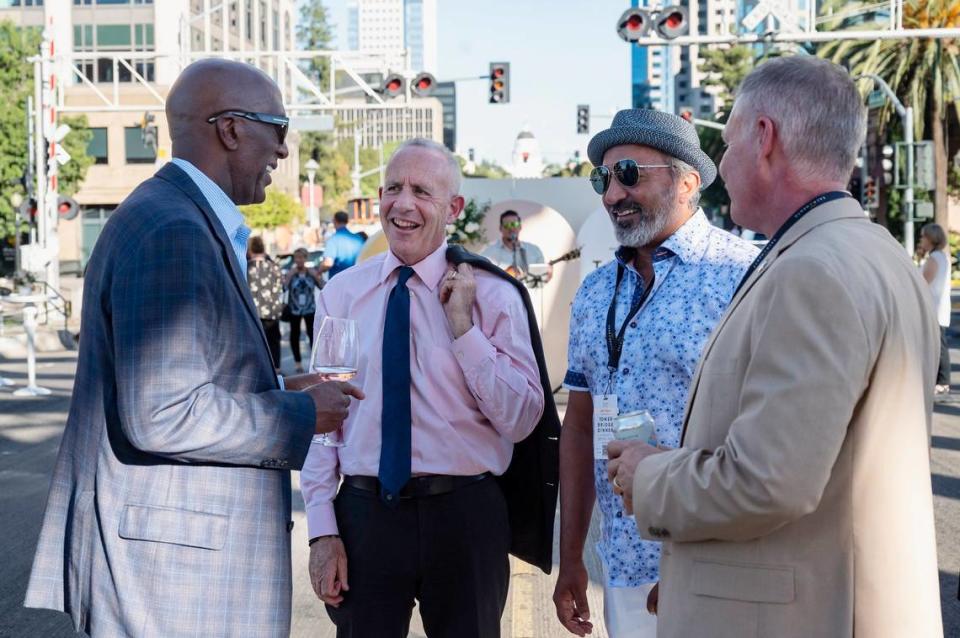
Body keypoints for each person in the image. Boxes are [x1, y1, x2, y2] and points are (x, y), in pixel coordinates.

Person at [23, 59, 363, 636]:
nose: (283, 151)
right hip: (174, 580)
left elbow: (185, 386)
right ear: (231, 129)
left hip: (176, 565)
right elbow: (160, 414)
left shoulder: (176, 216)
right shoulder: (173, 229)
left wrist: (280, 387)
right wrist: (303, 414)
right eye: (278, 129)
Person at [607, 56, 943, 638]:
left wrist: (649, 475)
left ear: (764, 139)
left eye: (729, 143)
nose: (725, 165)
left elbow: (767, 481)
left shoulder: (811, 271)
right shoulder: (878, 255)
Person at [301, 138, 546, 637]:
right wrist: (322, 530)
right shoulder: (342, 295)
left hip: (465, 516)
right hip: (366, 517)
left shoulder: (494, 295)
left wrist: (465, 331)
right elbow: (323, 423)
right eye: (393, 188)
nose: (403, 203)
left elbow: (521, 420)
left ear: (453, 208)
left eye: (421, 191)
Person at [552, 109, 757, 638]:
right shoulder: (595, 294)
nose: (612, 194)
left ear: (687, 181)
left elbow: (760, 436)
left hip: (714, 566)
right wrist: (571, 557)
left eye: (629, 174)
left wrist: (693, 562)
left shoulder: (742, 277)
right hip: (619, 564)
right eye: (603, 178)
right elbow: (579, 426)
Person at [918, 222, 952, 394]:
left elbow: (923, 282)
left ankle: (943, 382)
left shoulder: (934, 258)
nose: (921, 239)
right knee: (939, 343)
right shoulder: (941, 256)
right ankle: (941, 380)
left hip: (934, 308)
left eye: (923, 236)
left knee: (939, 345)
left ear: (931, 238)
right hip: (938, 307)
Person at [482, 210, 552, 283]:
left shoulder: (534, 250)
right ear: (500, 228)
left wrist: (546, 276)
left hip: (528, 293)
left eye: (514, 224)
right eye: (507, 225)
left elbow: (540, 280)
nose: (511, 228)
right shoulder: (489, 252)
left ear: (520, 227)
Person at [284, 246, 324, 373]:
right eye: (296, 258)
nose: (299, 260)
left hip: (309, 309)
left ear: (306, 258)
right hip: (294, 309)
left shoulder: (312, 272)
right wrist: (288, 278)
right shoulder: (291, 273)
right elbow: (283, 289)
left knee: (312, 336)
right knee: (294, 335)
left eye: (301, 257)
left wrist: (316, 277)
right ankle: (297, 363)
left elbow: (324, 287)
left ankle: (314, 363)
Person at [248, 235, 285, 371]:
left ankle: (259, 369)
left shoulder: (246, 267)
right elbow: (282, 287)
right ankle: (276, 368)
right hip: (272, 310)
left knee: (256, 342)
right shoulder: (273, 266)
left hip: (253, 311)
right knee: (274, 341)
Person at [320, 210, 365, 279]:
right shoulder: (359, 239)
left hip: (340, 284)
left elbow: (328, 263)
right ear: (347, 221)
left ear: (334, 221)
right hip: (359, 280)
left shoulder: (333, 240)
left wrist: (318, 271)